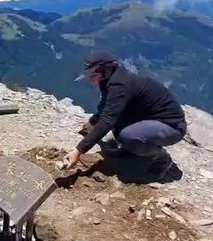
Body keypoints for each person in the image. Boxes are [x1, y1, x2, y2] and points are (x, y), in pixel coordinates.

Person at [65, 52, 187, 183]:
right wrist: (92, 122)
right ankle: (130, 150)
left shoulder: (120, 85)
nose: (91, 78)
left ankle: (161, 160)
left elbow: (107, 120)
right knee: (119, 127)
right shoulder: (110, 79)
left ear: (105, 70)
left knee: (128, 136)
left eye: (94, 74)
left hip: (171, 126)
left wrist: (79, 150)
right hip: (149, 118)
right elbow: (107, 108)